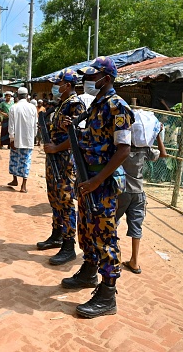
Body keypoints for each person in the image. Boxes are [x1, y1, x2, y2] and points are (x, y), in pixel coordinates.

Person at [61, 56, 134, 319]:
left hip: (101, 183)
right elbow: (93, 139)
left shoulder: (117, 107)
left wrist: (96, 180)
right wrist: (75, 131)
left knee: (105, 236)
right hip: (87, 180)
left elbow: (123, 149)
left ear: (107, 78)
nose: (88, 80)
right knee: (87, 230)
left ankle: (107, 295)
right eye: (88, 76)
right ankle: (90, 271)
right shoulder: (95, 106)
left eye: (93, 76)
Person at [38, 69, 86, 267]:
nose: (56, 87)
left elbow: (79, 136)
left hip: (65, 160)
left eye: (58, 83)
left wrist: (56, 147)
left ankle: (68, 245)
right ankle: (57, 234)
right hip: (54, 159)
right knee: (54, 198)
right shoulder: (60, 105)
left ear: (68, 85)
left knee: (65, 201)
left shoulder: (75, 105)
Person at [116, 122, 167, 274]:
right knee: (136, 227)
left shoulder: (121, 147)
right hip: (138, 193)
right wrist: (157, 135)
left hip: (121, 190)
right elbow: (163, 154)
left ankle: (115, 254)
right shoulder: (145, 149)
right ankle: (135, 261)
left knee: (112, 221)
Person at [7, 87, 37, 193]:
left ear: (18, 96)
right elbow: (35, 124)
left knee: (15, 160)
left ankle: (15, 180)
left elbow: (11, 126)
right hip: (28, 139)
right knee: (26, 161)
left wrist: (11, 138)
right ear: (27, 95)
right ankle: (23, 185)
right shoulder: (33, 107)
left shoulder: (13, 108)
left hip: (16, 139)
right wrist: (34, 136)